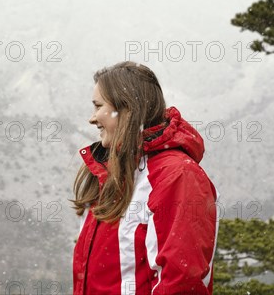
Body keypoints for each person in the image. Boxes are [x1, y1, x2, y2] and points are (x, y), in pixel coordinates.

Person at [71, 61, 220, 295]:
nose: (92, 118)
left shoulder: (177, 176)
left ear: (127, 109)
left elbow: (181, 283)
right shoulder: (110, 175)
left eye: (98, 106)